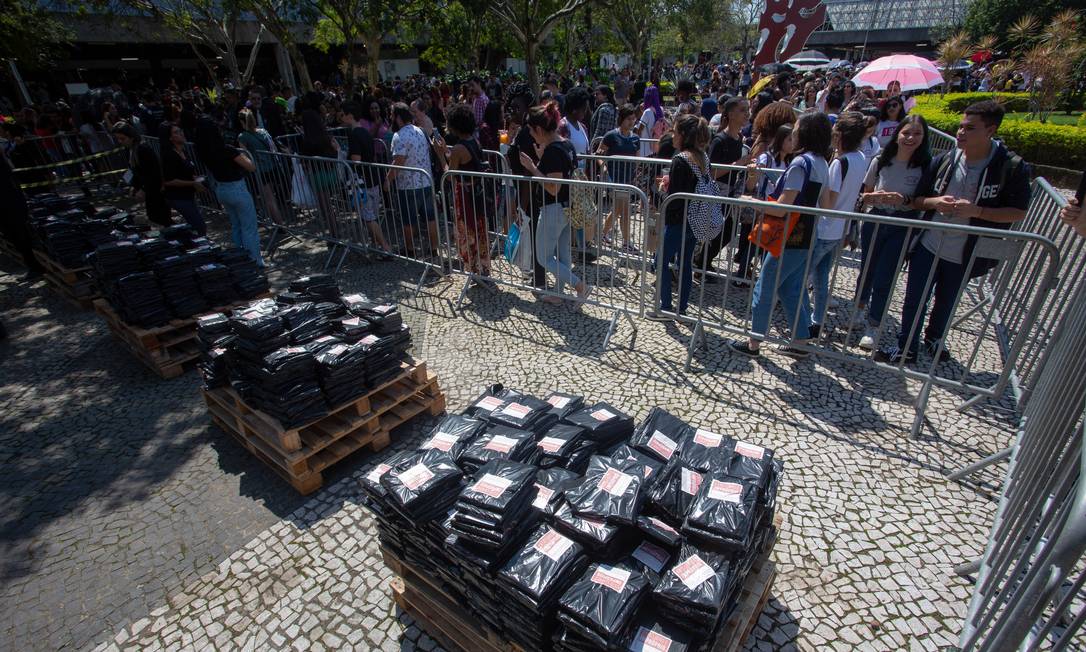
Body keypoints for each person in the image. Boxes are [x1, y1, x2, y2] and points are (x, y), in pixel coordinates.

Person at [878, 101, 1030, 364]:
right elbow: (917, 200)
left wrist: (977, 211)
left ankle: (935, 337)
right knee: (915, 298)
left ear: (990, 130)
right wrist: (935, 203)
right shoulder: (945, 160)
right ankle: (907, 347)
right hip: (929, 242)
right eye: (960, 126)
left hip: (967, 250)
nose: (961, 133)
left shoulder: (1010, 167)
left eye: (970, 128)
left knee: (946, 300)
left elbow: (1018, 212)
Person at [730, 112, 833, 358]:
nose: (793, 133)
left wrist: (752, 202)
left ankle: (753, 342)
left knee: (765, 286)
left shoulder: (801, 163)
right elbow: (827, 204)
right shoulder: (822, 162)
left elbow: (783, 206)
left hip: (788, 236)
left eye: (796, 129)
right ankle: (800, 341)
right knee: (791, 288)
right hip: (808, 234)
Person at [853, 114, 931, 350]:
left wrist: (905, 199)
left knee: (885, 274)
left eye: (917, 133)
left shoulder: (926, 165)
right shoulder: (881, 160)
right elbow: (866, 192)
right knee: (867, 267)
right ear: (898, 133)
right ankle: (858, 308)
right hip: (876, 218)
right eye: (907, 132)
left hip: (903, 222)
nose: (910, 138)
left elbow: (924, 200)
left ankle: (874, 325)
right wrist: (874, 197)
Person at [516, 101, 591, 306]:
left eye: (531, 131)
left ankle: (580, 286)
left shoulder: (553, 150)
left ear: (539, 129)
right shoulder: (565, 145)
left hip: (553, 209)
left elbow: (553, 187)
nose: (530, 135)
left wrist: (533, 167)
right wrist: (541, 160)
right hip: (567, 208)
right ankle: (559, 294)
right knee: (563, 255)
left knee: (543, 257)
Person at [647, 114, 713, 321]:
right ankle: (681, 308)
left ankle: (665, 306)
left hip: (677, 221)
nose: (672, 135)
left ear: (683, 135)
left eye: (675, 131)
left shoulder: (680, 159)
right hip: (695, 220)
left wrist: (662, 190)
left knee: (661, 262)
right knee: (684, 264)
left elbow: (674, 198)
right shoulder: (702, 157)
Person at [808, 112, 868, 338]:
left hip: (825, 227)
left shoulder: (838, 163)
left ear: (840, 135)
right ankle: (817, 319)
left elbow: (829, 200)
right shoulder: (861, 158)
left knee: (802, 275)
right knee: (821, 276)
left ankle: (803, 319)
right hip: (840, 228)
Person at [193, 117, 263, 265]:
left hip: (222, 189)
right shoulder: (227, 150)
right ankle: (255, 260)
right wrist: (243, 154)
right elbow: (251, 167)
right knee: (249, 227)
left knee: (236, 225)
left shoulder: (204, 152)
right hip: (236, 189)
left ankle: (241, 258)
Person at [698, 96, 751, 282]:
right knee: (717, 229)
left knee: (727, 231)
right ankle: (701, 261)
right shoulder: (719, 140)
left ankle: (703, 260)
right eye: (742, 110)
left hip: (730, 191)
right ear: (730, 114)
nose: (746, 114)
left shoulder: (740, 139)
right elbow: (711, 172)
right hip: (716, 191)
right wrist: (738, 164)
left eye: (747, 110)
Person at [444, 103, 495, 288]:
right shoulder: (475, 141)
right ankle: (483, 267)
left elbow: (449, 175)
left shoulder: (458, 148)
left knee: (467, 231)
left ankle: (472, 269)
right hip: (477, 194)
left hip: (464, 196)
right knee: (480, 229)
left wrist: (440, 155)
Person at [386, 102, 440, 259]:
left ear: (397, 117)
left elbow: (399, 161)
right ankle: (434, 248)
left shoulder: (399, 136)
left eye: (391, 115)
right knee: (429, 217)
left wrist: (388, 179)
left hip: (408, 185)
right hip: (426, 180)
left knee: (408, 219)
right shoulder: (421, 131)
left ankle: (410, 249)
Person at [340, 102, 393, 259]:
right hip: (372, 178)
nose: (340, 117)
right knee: (372, 215)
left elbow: (356, 160)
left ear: (349, 115)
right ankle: (377, 247)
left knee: (369, 217)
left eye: (342, 114)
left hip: (362, 181)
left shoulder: (355, 134)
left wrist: (341, 155)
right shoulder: (365, 132)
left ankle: (385, 248)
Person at [598, 104, 641, 253]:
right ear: (621, 119)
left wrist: (637, 175)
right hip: (614, 178)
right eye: (629, 119)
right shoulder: (611, 136)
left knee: (617, 210)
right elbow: (599, 154)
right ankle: (627, 242)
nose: (632, 122)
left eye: (634, 119)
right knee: (624, 211)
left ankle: (602, 234)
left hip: (628, 180)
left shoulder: (636, 138)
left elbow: (637, 158)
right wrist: (603, 167)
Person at [112, 121, 171, 227]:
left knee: (161, 218)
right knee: (155, 217)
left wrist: (143, 189)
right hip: (149, 191)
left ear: (131, 137)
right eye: (118, 139)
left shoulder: (143, 149)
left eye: (122, 138)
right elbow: (133, 171)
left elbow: (153, 173)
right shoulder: (130, 150)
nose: (120, 141)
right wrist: (135, 186)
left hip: (156, 190)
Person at [297, 108, 342, 239]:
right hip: (330, 174)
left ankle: (334, 235)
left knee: (325, 207)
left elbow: (303, 161)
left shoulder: (308, 141)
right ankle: (335, 233)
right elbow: (335, 153)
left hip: (318, 176)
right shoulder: (326, 137)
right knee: (329, 206)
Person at [237, 108, 284, 230]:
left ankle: (280, 225)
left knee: (269, 199)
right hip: (273, 167)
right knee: (272, 197)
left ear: (242, 122)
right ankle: (279, 223)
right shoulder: (263, 131)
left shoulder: (243, 136)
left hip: (260, 171)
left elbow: (245, 155)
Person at [157, 121, 207, 235]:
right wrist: (192, 183)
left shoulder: (183, 151)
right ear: (170, 138)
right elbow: (169, 181)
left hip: (188, 195)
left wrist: (198, 179)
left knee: (196, 225)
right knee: (199, 226)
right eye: (176, 132)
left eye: (180, 131)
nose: (181, 134)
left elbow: (187, 172)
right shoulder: (168, 155)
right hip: (178, 197)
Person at [558, 87, 591, 157]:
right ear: (574, 109)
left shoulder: (583, 128)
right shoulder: (563, 127)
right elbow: (560, 153)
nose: (585, 112)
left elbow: (586, 152)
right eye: (584, 109)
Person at [637, 85, 664, 157]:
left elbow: (639, 130)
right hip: (655, 146)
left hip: (645, 147)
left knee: (642, 167)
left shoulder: (647, 112)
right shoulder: (661, 110)